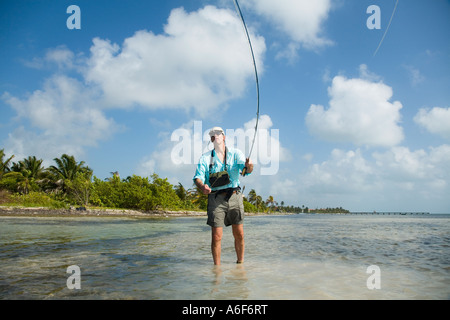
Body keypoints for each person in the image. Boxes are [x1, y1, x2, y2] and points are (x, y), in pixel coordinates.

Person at [193, 127, 253, 265]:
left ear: (224, 137)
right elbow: (198, 177)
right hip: (215, 198)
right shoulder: (205, 157)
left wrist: (249, 166)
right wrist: (203, 187)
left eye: (218, 134)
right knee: (216, 236)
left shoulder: (236, 153)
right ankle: (217, 269)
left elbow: (245, 171)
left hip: (235, 196)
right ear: (211, 140)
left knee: (239, 234)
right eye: (213, 136)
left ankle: (240, 264)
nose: (216, 137)